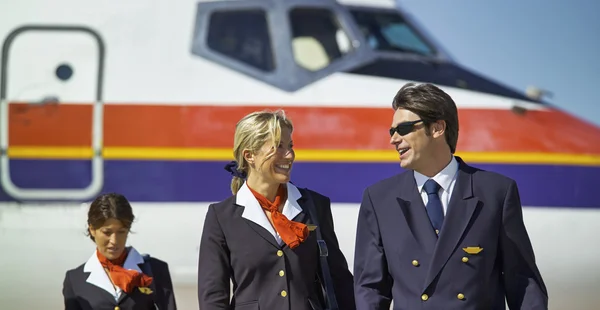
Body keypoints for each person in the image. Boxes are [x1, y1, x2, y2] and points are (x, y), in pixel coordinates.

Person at [353, 83, 548, 309]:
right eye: (392, 131)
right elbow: (370, 289)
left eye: (404, 128)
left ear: (437, 128)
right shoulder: (379, 199)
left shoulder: (497, 193)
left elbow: (524, 282)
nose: (393, 139)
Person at [197, 109, 356, 310]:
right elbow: (213, 297)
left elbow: (339, 279)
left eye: (290, 146)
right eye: (278, 147)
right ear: (249, 155)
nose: (289, 155)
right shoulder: (221, 217)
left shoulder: (315, 205)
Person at [62, 193, 177, 310]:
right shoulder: (75, 280)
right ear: (92, 229)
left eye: (121, 232)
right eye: (107, 232)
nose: (114, 241)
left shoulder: (156, 270)